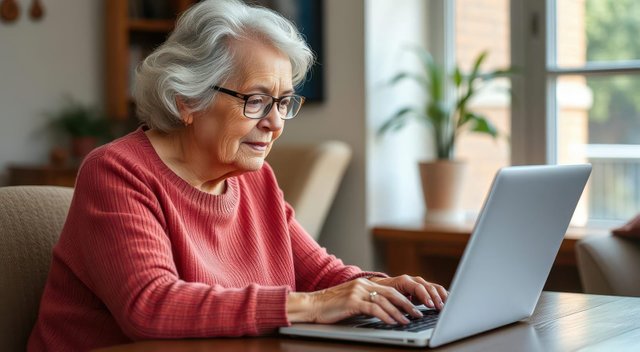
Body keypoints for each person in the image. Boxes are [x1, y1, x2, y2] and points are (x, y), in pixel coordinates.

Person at [28, 0, 448, 350]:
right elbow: (150, 305)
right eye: (257, 99)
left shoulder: (255, 178)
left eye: (284, 101)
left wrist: (388, 290)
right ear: (187, 99)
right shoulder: (117, 172)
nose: (275, 123)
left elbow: (320, 273)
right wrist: (311, 305)